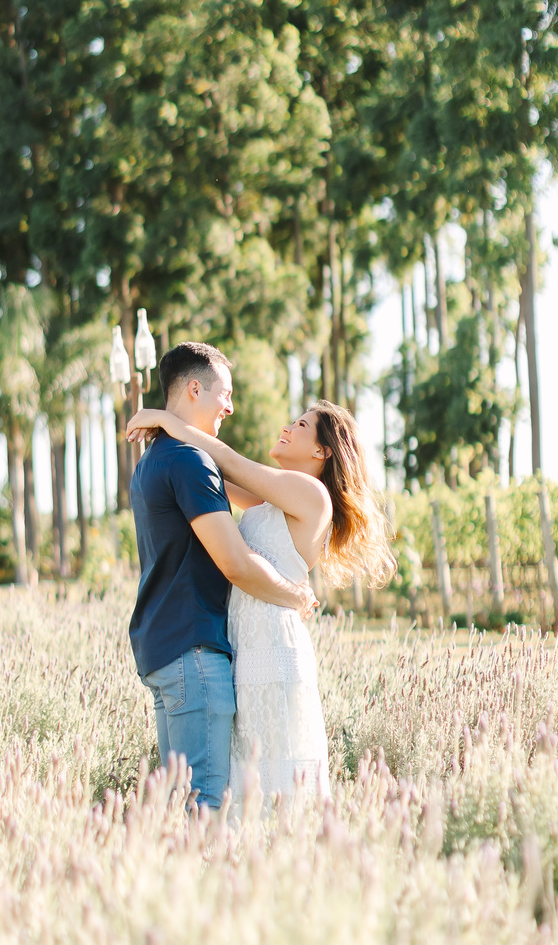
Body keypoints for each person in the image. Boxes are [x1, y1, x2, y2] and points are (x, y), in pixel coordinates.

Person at [129, 390, 392, 803]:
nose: (287, 428)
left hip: (271, 641)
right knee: (245, 768)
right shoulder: (272, 498)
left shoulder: (311, 494)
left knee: (271, 767)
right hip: (247, 640)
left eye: (300, 425)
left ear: (321, 451)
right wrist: (169, 437)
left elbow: (228, 460)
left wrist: (166, 418)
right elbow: (210, 472)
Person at [127, 341, 317, 811]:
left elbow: (246, 483)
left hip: (166, 648)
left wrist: (167, 422)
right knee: (206, 804)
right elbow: (235, 562)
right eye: (225, 394)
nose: (230, 407)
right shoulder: (189, 462)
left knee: (184, 801)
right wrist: (296, 595)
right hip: (194, 651)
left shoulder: (154, 460)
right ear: (195, 389)